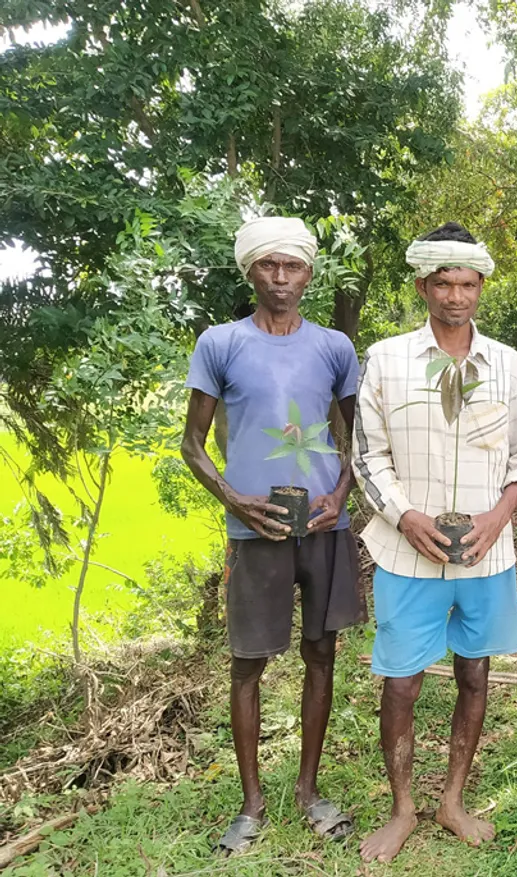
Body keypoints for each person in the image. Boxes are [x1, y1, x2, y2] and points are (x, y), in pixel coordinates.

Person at [353, 222, 517, 861]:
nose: (455, 296)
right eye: (443, 283)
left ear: (481, 286)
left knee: (475, 672)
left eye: (466, 283)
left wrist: (498, 517)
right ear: (422, 287)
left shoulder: (509, 364)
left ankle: (452, 800)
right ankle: (404, 807)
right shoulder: (385, 360)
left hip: (487, 553)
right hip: (408, 552)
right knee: (402, 681)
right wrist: (405, 517)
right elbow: (367, 457)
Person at [181, 216, 361, 855]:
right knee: (248, 664)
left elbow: (355, 438)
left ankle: (309, 791)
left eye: (293, 267)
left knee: (321, 655)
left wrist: (340, 496)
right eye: (268, 266)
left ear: (309, 274)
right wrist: (235, 500)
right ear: (250, 270)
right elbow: (193, 445)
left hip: (322, 527)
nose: (281, 278)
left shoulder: (335, 347)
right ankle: (252, 803)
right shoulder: (221, 343)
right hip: (254, 532)